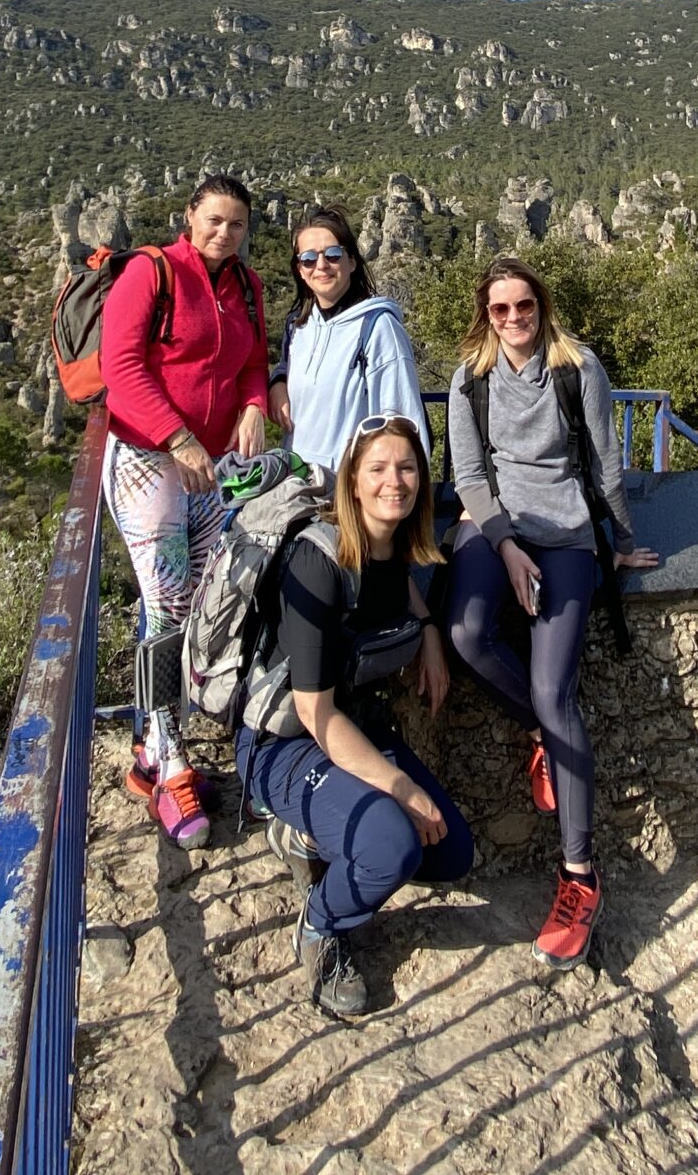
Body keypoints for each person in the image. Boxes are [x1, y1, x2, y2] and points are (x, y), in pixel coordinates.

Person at [442, 256, 660, 967]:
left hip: (566, 534)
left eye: (524, 306)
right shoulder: (469, 379)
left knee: (552, 689)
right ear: (486, 315)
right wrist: (503, 546)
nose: (513, 320)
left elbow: (603, 464)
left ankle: (579, 874)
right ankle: (542, 735)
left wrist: (620, 544)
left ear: (542, 307)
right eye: (500, 309)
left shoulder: (577, 368)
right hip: (494, 526)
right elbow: (470, 477)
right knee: (468, 632)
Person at [240, 415, 470, 1019]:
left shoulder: (393, 548)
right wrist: (399, 787)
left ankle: (309, 834)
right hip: (284, 744)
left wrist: (429, 635)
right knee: (393, 845)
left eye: (407, 466)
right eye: (378, 469)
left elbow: (399, 589)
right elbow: (315, 712)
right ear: (353, 481)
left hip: (356, 729)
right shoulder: (317, 563)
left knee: (449, 854)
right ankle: (320, 926)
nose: (395, 481)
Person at [98, 172, 272, 848]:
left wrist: (255, 402)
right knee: (168, 607)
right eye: (215, 220)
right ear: (189, 216)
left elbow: (252, 362)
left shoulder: (247, 288)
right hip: (150, 462)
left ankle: (152, 744)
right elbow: (122, 366)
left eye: (237, 224)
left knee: (204, 602)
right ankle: (169, 767)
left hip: (212, 470)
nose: (225, 233)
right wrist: (175, 436)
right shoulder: (151, 273)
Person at [268, 204, 428, 476]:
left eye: (332, 254)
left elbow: (402, 418)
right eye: (308, 258)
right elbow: (286, 365)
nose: (321, 265)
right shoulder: (298, 325)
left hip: (349, 493)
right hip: (297, 487)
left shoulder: (377, 327)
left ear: (351, 261)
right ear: (299, 270)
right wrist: (277, 382)